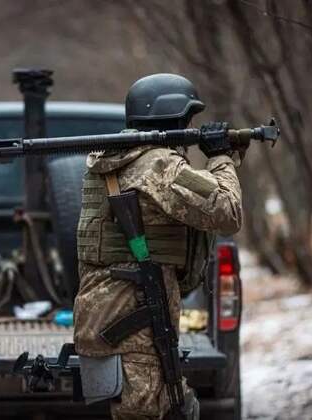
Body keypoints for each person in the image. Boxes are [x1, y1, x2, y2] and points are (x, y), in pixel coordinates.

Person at [74, 73, 243, 419]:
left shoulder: (112, 159)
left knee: (168, 406)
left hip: (109, 311)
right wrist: (221, 158)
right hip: (136, 316)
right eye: (187, 120)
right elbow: (227, 212)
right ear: (173, 118)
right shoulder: (156, 165)